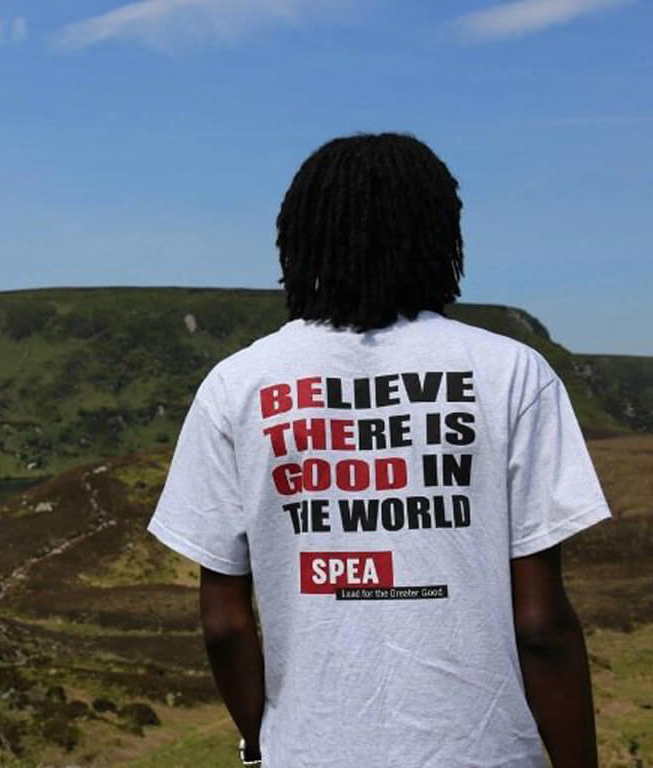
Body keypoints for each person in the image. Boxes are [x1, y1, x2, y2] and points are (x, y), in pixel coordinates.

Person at [147, 132, 613, 767]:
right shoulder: (512, 374)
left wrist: (261, 746)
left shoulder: (238, 386)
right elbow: (541, 625)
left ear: (300, 239)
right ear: (440, 237)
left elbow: (224, 624)